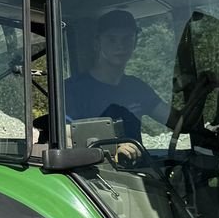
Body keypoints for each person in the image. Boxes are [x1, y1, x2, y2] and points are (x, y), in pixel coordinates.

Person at [65, 9, 167, 164]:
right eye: (111, 39)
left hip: (138, 174)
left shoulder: (137, 88)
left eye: (127, 39)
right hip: (93, 176)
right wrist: (110, 151)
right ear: (97, 43)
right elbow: (64, 136)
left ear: (135, 43)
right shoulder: (72, 90)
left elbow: (176, 122)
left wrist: (200, 93)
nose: (120, 46)